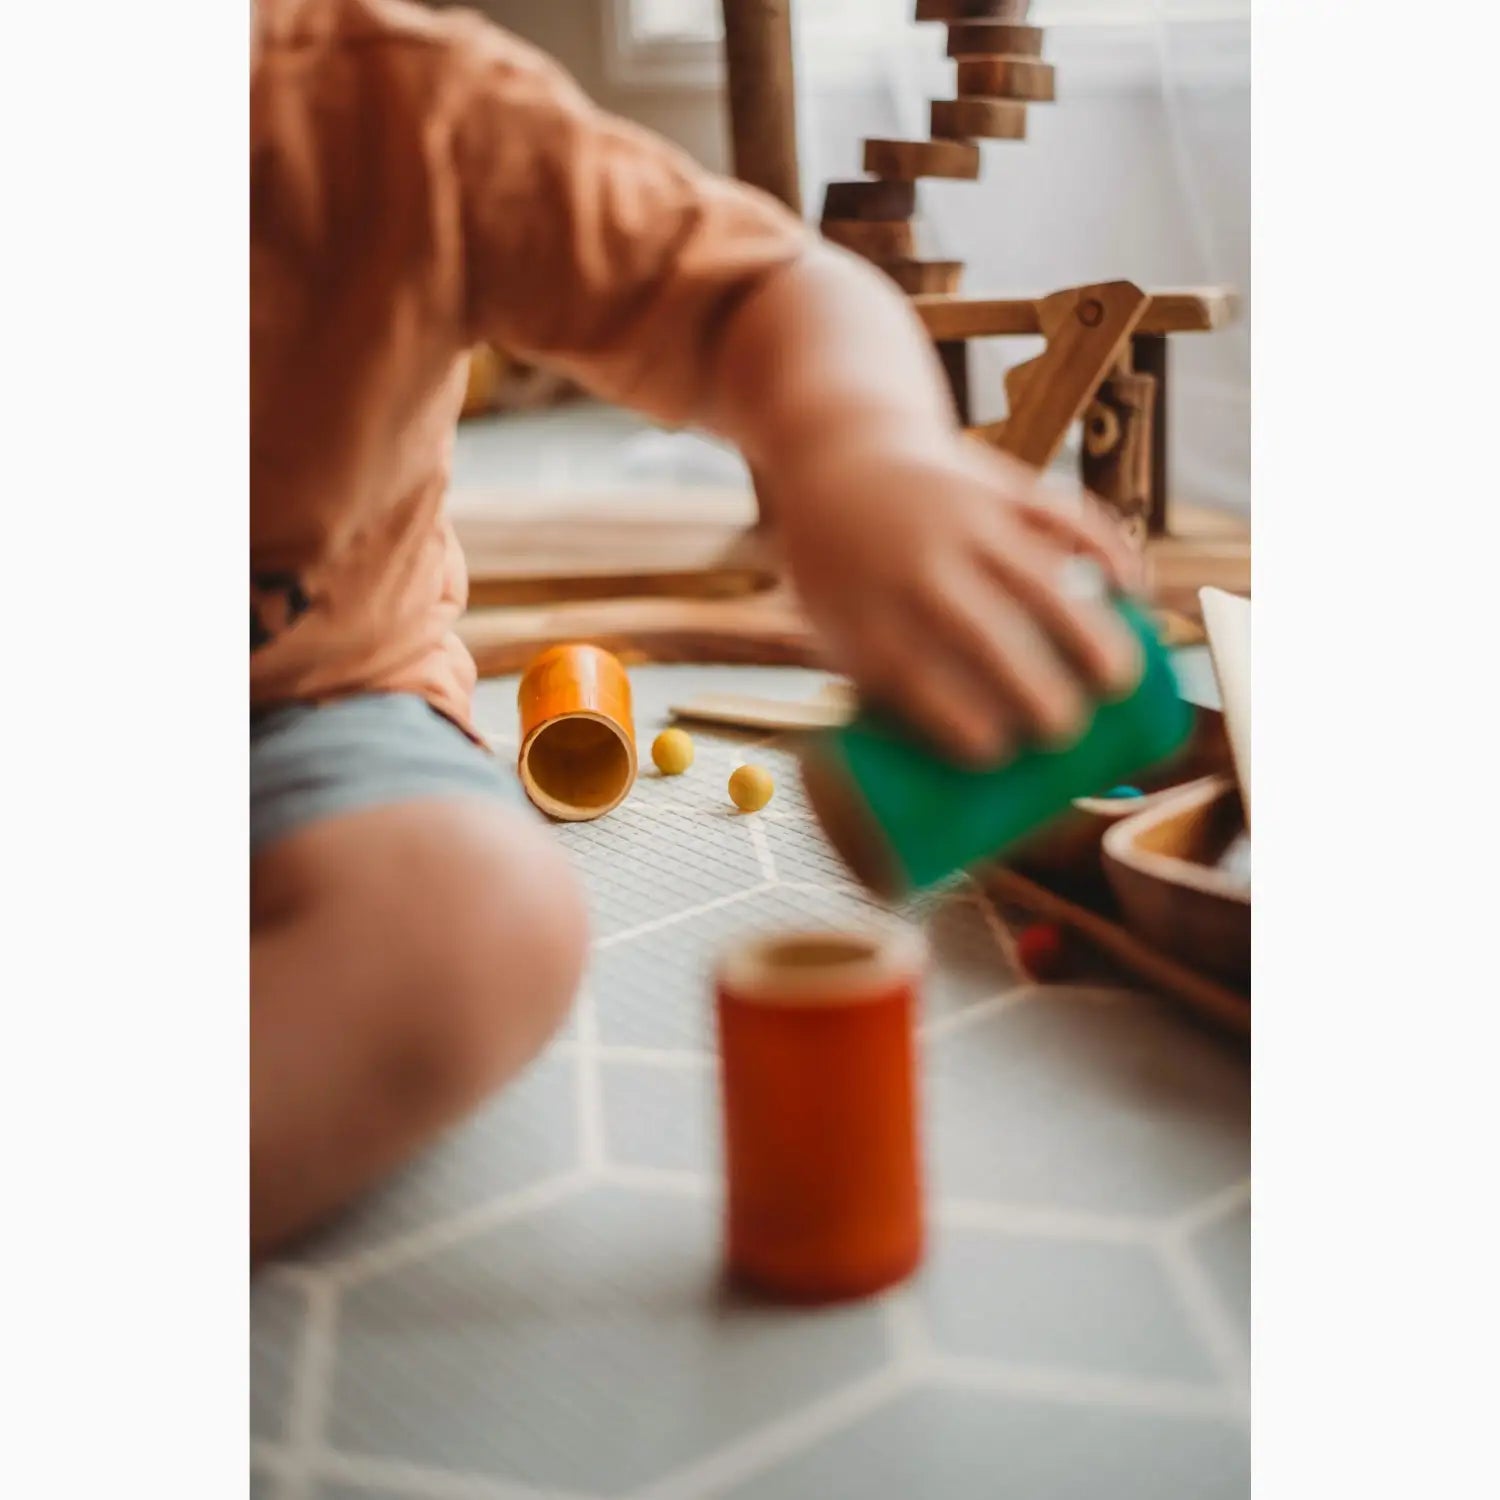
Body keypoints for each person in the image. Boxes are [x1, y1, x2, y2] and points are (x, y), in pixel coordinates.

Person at [250, 0, 1143, 1258]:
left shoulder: (404, 112)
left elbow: (762, 290)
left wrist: (858, 452)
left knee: (473, 920)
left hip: (306, 716)